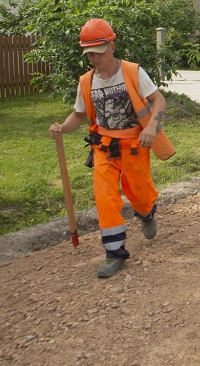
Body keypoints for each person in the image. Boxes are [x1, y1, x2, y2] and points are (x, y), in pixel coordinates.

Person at [48, 18, 174, 278]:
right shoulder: (86, 81)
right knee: (104, 199)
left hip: (135, 147)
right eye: (89, 53)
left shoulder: (132, 72)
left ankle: (147, 214)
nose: (94, 57)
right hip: (104, 149)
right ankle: (115, 254)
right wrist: (62, 127)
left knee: (141, 197)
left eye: (99, 51)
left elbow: (159, 100)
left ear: (112, 47)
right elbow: (79, 114)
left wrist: (151, 127)